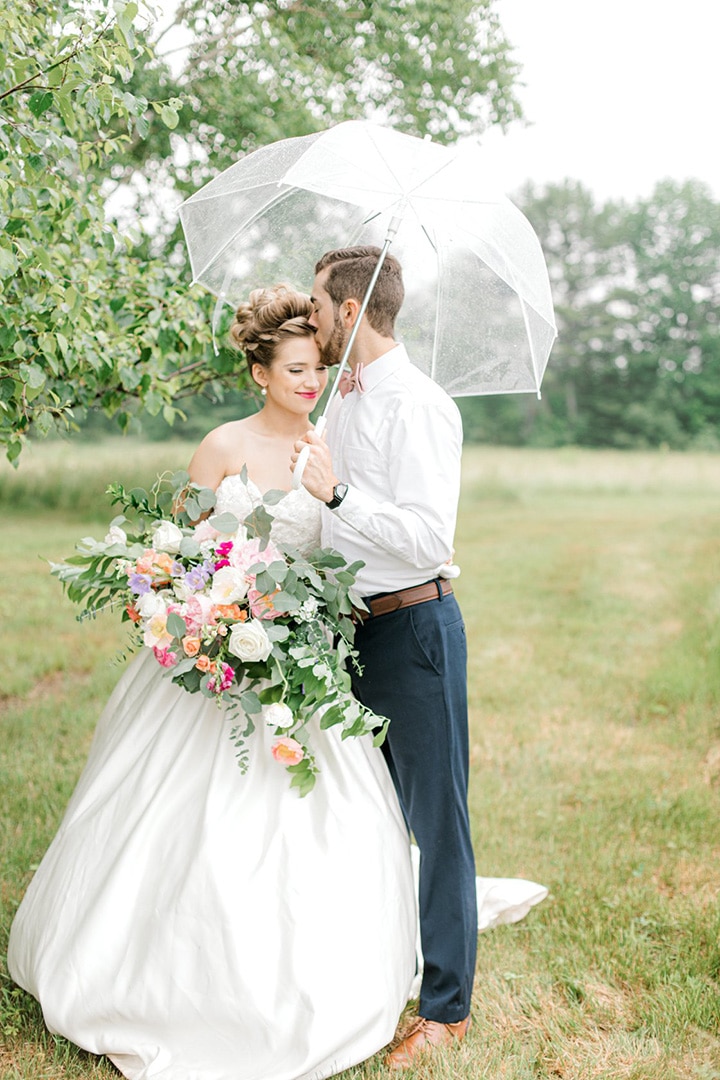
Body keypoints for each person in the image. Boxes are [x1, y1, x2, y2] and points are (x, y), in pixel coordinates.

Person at [7, 285, 420, 1080]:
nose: (309, 382)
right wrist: (205, 613)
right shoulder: (222, 446)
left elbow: (349, 541)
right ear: (261, 372)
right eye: (295, 369)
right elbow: (174, 554)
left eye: (317, 368)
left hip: (299, 663)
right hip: (210, 660)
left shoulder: (330, 446)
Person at [292, 247, 478, 1069]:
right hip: (346, 631)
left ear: (353, 308)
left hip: (414, 631)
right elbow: (329, 525)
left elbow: (429, 537)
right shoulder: (340, 402)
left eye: (319, 305)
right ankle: (365, 971)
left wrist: (338, 495)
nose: (311, 319)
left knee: (436, 822)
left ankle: (446, 1010)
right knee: (355, 813)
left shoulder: (422, 406)